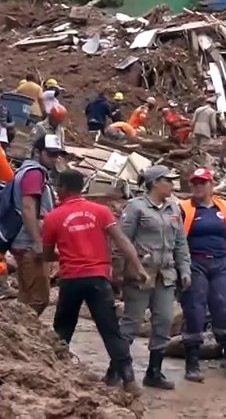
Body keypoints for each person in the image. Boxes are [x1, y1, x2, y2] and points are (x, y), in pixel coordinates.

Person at [43, 169, 147, 394]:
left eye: (58, 187)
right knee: (111, 330)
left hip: (71, 280)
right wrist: (138, 267)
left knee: (63, 328)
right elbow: (122, 241)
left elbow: (47, 254)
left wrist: (66, 253)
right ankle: (129, 380)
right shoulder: (101, 211)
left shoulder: (53, 217)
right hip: (99, 279)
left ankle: (55, 374)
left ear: (62, 189)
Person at [118, 165, 192, 390]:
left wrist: (185, 269)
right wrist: (120, 273)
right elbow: (122, 241)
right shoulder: (136, 208)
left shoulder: (173, 209)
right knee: (131, 322)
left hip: (166, 274)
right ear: (155, 183)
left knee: (164, 321)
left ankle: (154, 371)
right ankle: (118, 367)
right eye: (167, 180)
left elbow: (180, 242)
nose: (171, 184)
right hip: (141, 274)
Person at [179, 167, 226, 382]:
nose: (198, 187)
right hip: (195, 263)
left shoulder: (223, 208)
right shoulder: (184, 209)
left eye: (203, 183)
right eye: (195, 183)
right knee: (194, 310)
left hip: (221, 263)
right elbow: (176, 240)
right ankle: (192, 364)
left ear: (211, 185)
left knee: (225, 309)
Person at [9, 133, 63, 316]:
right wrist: (38, 242)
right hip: (29, 243)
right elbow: (28, 207)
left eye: (57, 154)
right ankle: (17, 335)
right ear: (37, 152)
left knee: (25, 299)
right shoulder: (34, 173)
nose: (54, 158)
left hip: (23, 241)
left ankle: (14, 339)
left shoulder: (29, 171)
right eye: (50, 154)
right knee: (39, 299)